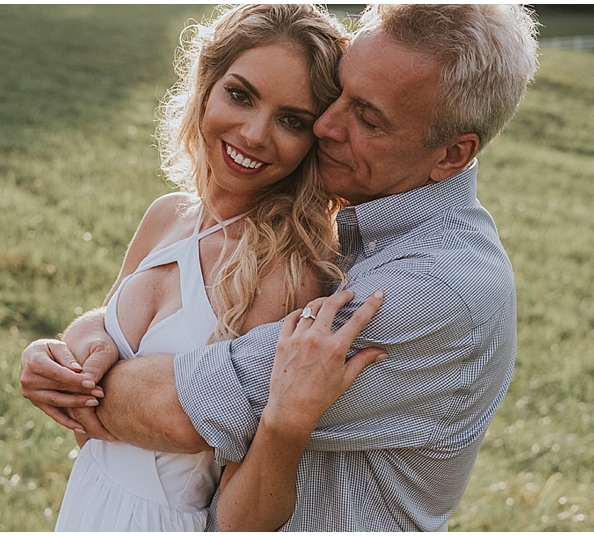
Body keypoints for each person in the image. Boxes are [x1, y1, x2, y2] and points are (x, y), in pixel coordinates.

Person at [21, 4, 540, 531]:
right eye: (337, 98)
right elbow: (117, 332)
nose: (327, 126)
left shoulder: (431, 287)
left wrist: (69, 386)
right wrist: (66, 347)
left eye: (367, 117)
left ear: (452, 154)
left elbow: (181, 415)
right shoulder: (180, 216)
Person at [33, 4, 371, 531]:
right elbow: (103, 336)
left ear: (315, 139)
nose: (256, 134)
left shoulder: (288, 274)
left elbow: (249, 509)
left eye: (291, 120)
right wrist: (50, 355)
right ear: (207, 85)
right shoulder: (168, 215)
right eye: (240, 95)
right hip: (88, 500)